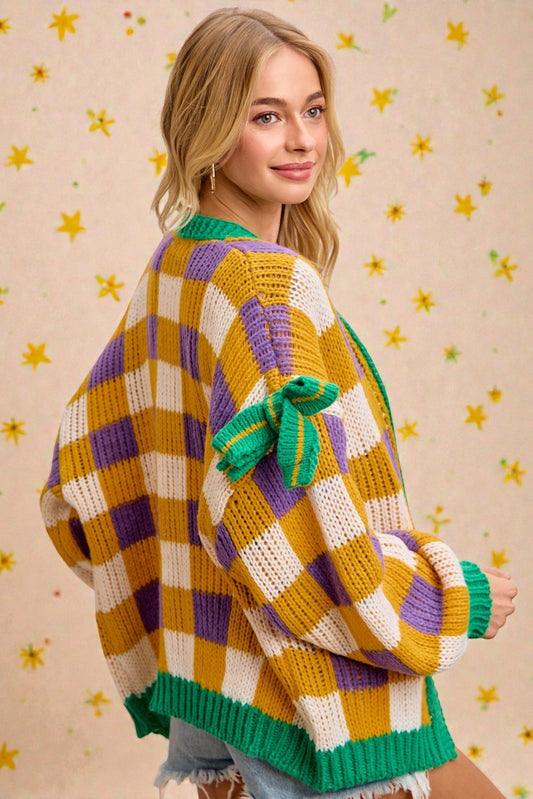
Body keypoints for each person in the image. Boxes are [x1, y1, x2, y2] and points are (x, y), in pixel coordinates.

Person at [40, 8, 517, 799]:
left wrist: (176, 586)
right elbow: (284, 527)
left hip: (206, 681)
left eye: (312, 109)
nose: (300, 139)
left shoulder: (177, 267)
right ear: (208, 126)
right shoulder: (265, 288)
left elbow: (82, 473)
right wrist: (443, 596)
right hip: (293, 689)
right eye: (265, 116)